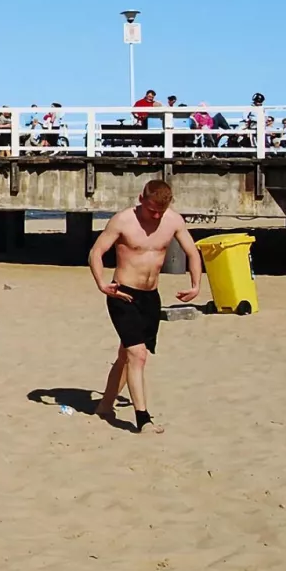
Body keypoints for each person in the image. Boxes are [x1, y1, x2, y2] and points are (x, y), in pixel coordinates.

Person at [88, 180, 202, 434]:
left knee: (126, 356)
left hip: (151, 297)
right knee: (137, 355)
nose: (156, 215)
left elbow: (193, 253)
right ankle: (144, 419)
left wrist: (195, 285)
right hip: (123, 295)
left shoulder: (172, 220)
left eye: (161, 211)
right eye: (152, 210)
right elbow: (96, 252)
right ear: (141, 198)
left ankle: (105, 405)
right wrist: (101, 283)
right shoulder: (123, 221)